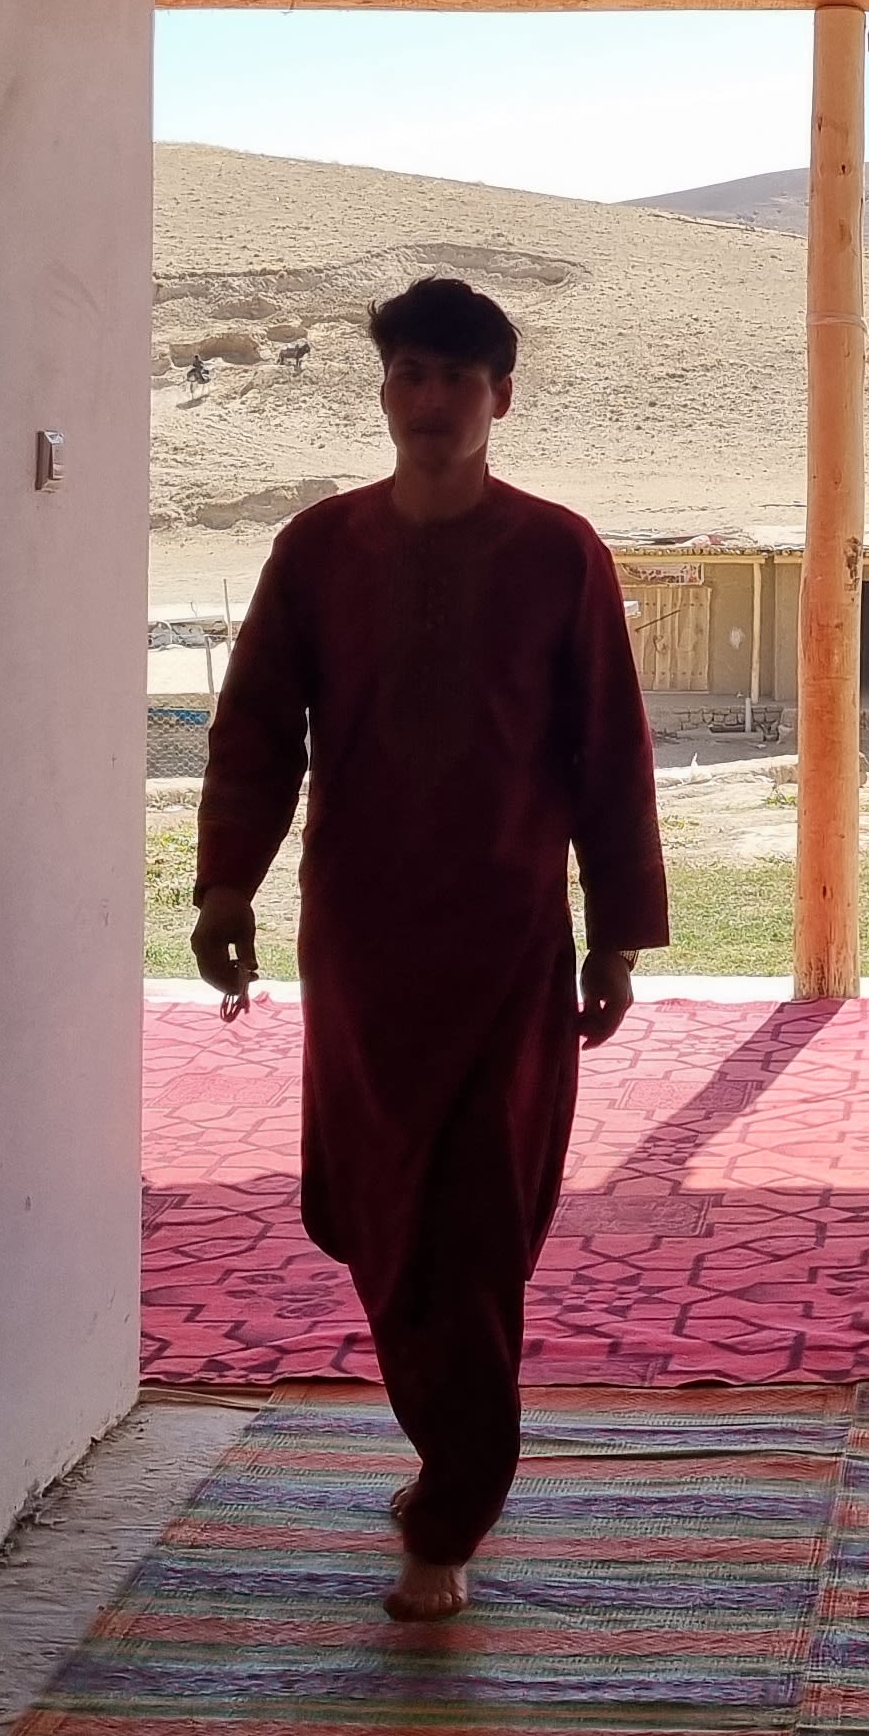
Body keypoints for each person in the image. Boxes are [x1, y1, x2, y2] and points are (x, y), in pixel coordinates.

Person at [188, 276, 666, 1622]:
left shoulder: (560, 554)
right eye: (410, 373)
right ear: (385, 390)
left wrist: (617, 937)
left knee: (476, 1226)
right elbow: (255, 731)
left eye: (458, 377)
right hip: (361, 949)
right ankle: (449, 1476)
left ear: (500, 396)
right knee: (383, 1217)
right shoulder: (319, 550)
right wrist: (226, 887)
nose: (431, 399)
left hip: (508, 946)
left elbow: (608, 752)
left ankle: (450, 1511)